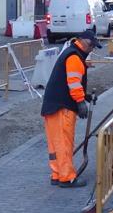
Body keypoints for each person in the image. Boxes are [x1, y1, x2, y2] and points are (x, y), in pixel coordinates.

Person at [41, 27, 99, 188]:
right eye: (92, 46)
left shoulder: (70, 53)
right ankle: (66, 177)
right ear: (86, 43)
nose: (92, 50)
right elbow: (73, 82)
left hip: (52, 105)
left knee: (55, 145)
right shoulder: (74, 57)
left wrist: (85, 97)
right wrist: (81, 102)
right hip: (62, 107)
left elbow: (69, 83)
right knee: (64, 143)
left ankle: (56, 173)